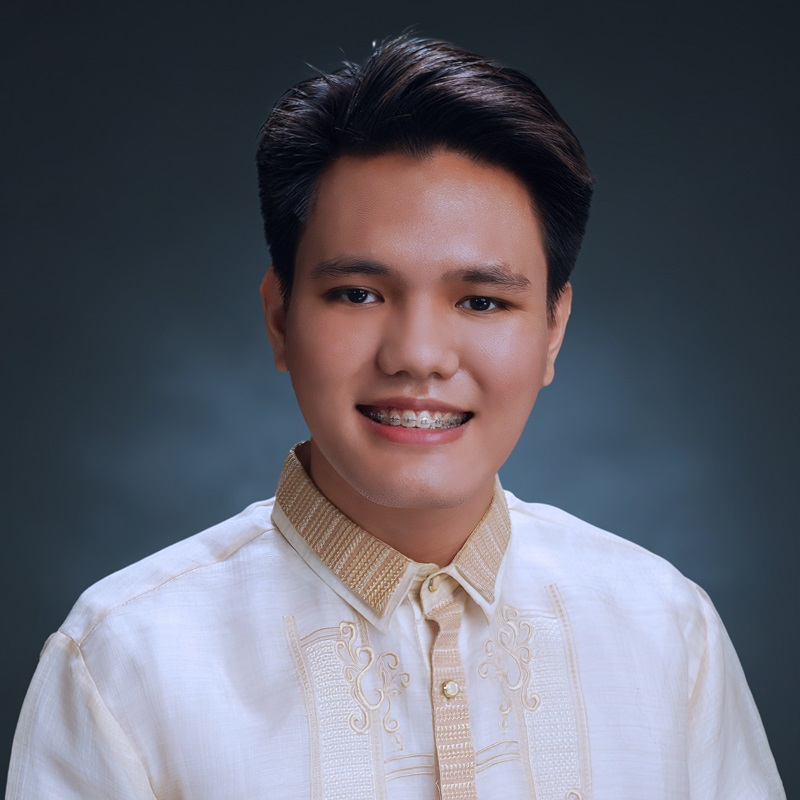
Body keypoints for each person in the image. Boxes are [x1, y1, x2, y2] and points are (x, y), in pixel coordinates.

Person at [6, 34, 784, 799]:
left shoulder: (667, 631)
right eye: (358, 294)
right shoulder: (123, 664)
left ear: (553, 330)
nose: (418, 355)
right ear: (279, 318)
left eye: (482, 301)